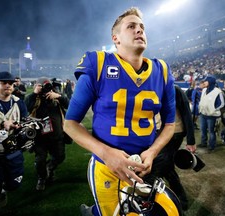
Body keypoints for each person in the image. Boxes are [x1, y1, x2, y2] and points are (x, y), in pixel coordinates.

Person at [64, 7, 176, 216]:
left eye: (142, 27)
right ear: (116, 38)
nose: (139, 30)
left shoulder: (162, 70)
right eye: (131, 26)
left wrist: (152, 152)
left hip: (145, 166)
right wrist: (107, 153)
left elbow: (170, 124)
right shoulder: (98, 63)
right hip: (107, 167)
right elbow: (70, 123)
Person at [144, 85, 196, 211]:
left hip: (174, 133)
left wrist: (191, 140)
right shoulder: (150, 86)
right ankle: (181, 201)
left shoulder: (175, 89)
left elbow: (186, 113)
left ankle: (149, 201)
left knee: (154, 169)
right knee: (167, 167)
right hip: (158, 132)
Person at [0, 71, 28, 214]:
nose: (8, 85)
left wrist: (26, 130)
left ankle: (3, 190)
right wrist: (1, 125)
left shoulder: (19, 102)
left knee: (14, 183)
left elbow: (24, 122)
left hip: (13, 151)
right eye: (4, 82)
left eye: (11, 83)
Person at [24, 77, 69, 191]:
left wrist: (58, 96)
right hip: (40, 137)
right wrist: (35, 94)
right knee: (40, 160)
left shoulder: (56, 96)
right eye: (42, 86)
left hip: (57, 134)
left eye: (47, 86)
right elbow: (25, 109)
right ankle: (42, 178)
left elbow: (69, 104)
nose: (45, 89)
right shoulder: (33, 98)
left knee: (60, 156)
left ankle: (50, 167)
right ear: (36, 86)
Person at [198, 75, 224, 152]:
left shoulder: (218, 91)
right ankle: (204, 143)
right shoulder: (204, 90)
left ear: (210, 82)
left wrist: (213, 110)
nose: (204, 82)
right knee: (203, 130)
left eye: (206, 81)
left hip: (212, 116)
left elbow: (221, 103)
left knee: (211, 131)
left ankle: (211, 145)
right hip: (203, 114)